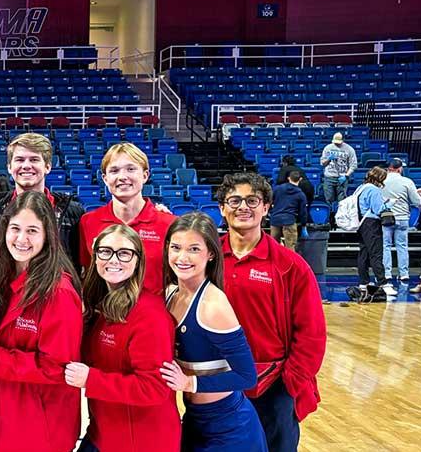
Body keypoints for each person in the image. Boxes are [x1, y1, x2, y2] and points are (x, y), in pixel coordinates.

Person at [0, 191, 83, 452]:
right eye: (15, 229)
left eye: (32, 230)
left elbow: (57, 369)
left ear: (48, 235)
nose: (21, 239)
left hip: (42, 421)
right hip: (5, 411)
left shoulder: (59, 292)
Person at [217, 173, 327, 452]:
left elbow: (312, 332)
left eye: (252, 200)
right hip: (217, 383)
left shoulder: (291, 265)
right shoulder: (207, 257)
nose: (243, 207)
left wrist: (290, 384)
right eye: (234, 200)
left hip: (272, 385)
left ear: (266, 207)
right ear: (222, 209)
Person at [63, 224, 179, 452]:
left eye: (124, 253)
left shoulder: (150, 315)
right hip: (103, 431)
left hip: (142, 440)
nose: (113, 260)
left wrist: (90, 379)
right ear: (95, 257)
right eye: (105, 251)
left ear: (138, 261)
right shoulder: (100, 306)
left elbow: (153, 388)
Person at [161, 212, 266, 452]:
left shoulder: (213, 306)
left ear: (210, 254)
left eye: (194, 249)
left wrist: (189, 382)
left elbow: (247, 376)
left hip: (229, 426)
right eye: (176, 247)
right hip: (194, 420)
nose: (182, 257)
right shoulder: (169, 294)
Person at [78, 142, 174, 296]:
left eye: (131, 169)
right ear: (105, 178)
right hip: (103, 315)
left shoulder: (170, 224)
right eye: (114, 170)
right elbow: (87, 273)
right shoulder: (88, 222)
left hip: (153, 315)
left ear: (145, 175)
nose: (122, 177)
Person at [0, 133, 85, 270]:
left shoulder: (73, 212)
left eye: (34, 160)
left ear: (48, 167)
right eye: (19, 160)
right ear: (9, 167)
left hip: (55, 289)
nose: (26, 166)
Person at [381, 159, 421, 287]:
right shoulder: (407, 182)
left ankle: (387, 273)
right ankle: (404, 273)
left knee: (385, 246)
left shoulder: (381, 181)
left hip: (386, 217)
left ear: (389, 168)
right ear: (400, 169)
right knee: (402, 246)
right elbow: (417, 202)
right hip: (402, 217)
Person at [355, 167, 391, 296]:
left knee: (363, 252)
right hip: (372, 223)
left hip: (361, 223)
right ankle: (383, 283)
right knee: (376, 253)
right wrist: (388, 205)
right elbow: (378, 209)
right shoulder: (374, 190)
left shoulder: (361, 187)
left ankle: (364, 282)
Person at [269, 171, 309, 252]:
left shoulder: (277, 189)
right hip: (289, 221)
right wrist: (304, 225)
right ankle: (290, 264)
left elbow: (269, 201)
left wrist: (270, 212)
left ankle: (274, 264)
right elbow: (303, 212)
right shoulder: (300, 194)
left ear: (288, 178)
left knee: (273, 247)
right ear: (300, 179)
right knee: (290, 247)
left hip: (275, 220)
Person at [319, 132, 357, 215]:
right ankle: (329, 217)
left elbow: (353, 165)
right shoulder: (328, 148)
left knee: (342, 200)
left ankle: (340, 217)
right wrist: (328, 159)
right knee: (328, 199)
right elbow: (322, 163)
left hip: (342, 177)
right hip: (329, 177)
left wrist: (346, 176)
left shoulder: (349, 149)